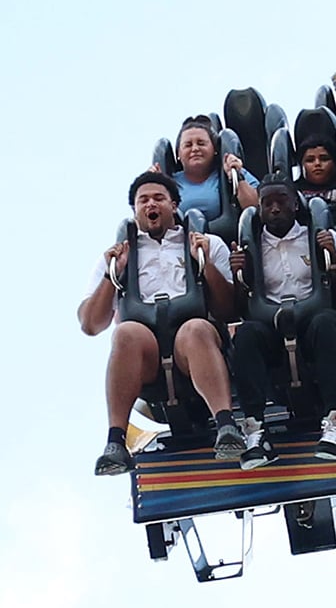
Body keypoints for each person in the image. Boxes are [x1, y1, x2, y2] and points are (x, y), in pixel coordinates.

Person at [79, 171, 242, 475]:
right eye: (143, 200)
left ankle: (227, 425)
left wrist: (204, 262)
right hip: (146, 351)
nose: (151, 205)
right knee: (125, 332)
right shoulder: (117, 255)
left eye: (158, 199)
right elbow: (90, 325)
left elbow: (229, 309)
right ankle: (116, 441)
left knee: (194, 329)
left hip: (193, 343)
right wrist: (112, 274)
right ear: (135, 210)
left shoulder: (207, 243)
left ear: (174, 205)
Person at [227, 174, 336, 466]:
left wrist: (333, 259)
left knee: (327, 322)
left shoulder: (318, 235)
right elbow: (239, 308)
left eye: (281, 201)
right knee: (246, 334)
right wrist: (239, 277)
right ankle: (255, 430)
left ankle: (335, 422)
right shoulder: (251, 246)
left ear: (296, 204)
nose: (274, 208)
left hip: (313, 323)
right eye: (267, 203)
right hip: (272, 327)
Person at [166, 115, 259, 220]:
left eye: (201, 143)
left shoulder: (232, 171)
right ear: (178, 153)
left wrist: (237, 177)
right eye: (188, 145)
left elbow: (256, 207)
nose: (195, 148)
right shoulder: (170, 182)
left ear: (214, 149)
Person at [294, 135, 336, 205]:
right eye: (310, 160)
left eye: (324, 159)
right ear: (301, 164)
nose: (317, 163)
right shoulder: (292, 191)